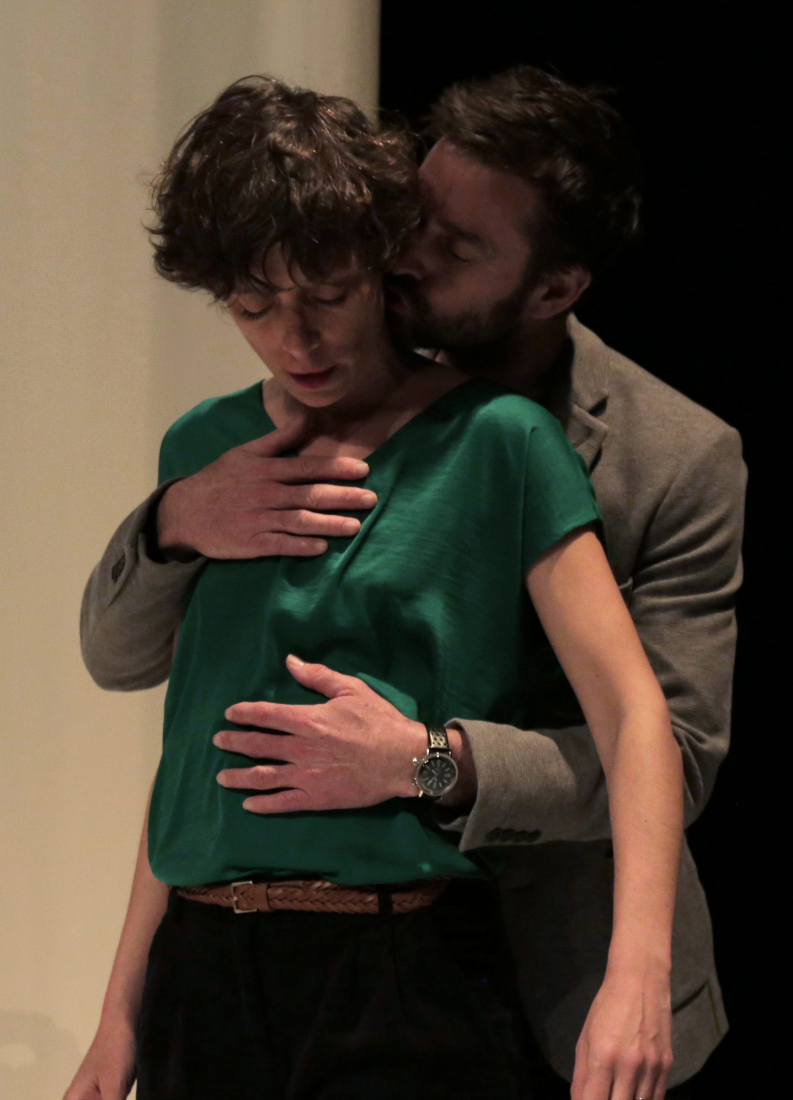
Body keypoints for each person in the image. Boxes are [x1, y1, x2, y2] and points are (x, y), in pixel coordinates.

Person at [76, 69, 745, 1096]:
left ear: (553, 286)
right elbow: (197, 734)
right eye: (255, 303)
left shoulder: (552, 443)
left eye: (456, 246)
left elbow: (655, 733)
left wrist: (425, 764)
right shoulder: (217, 441)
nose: (410, 257)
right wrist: (119, 1015)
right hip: (210, 971)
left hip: (451, 953)